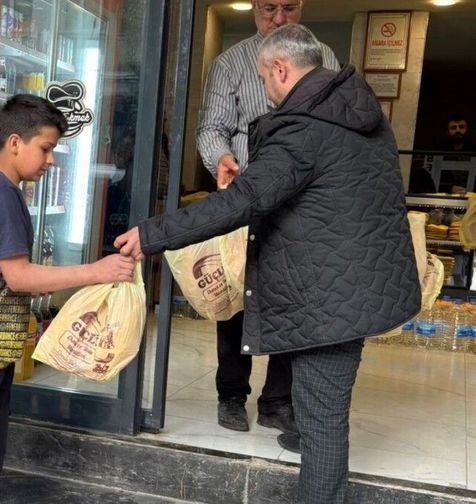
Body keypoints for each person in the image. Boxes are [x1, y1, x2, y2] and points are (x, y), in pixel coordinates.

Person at [116, 25, 420, 503]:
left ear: (281, 69)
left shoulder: (304, 130)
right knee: (320, 410)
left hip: (331, 299)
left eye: (263, 78)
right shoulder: (360, 115)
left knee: (322, 422)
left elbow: (244, 200)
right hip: (351, 287)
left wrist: (152, 234)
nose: (265, 88)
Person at [0, 94, 135, 503]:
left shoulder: (1, 190)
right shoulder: (0, 194)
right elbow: (19, 278)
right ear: (15, 143)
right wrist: (97, 271)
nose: (51, 160)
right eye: (46, 148)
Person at [195, 0, 340, 446]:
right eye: (268, 8)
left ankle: (278, 401)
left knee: (291, 297)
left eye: (289, 8)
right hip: (247, 193)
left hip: (301, 200)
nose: (278, 19)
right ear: (255, 7)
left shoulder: (326, 60)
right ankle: (231, 394)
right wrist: (221, 157)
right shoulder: (230, 63)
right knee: (235, 296)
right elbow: (211, 128)